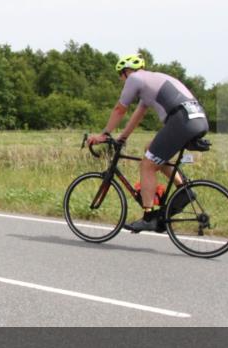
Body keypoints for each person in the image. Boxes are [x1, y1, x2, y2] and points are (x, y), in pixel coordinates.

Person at [87, 54, 209, 233]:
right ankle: (183, 189)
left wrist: (104, 134)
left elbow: (120, 109)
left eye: (120, 76)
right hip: (197, 119)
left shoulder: (134, 79)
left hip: (180, 120)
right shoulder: (153, 79)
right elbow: (138, 114)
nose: (122, 81)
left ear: (126, 72)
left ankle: (148, 217)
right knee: (150, 150)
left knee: (147, 165)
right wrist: (122, 138)